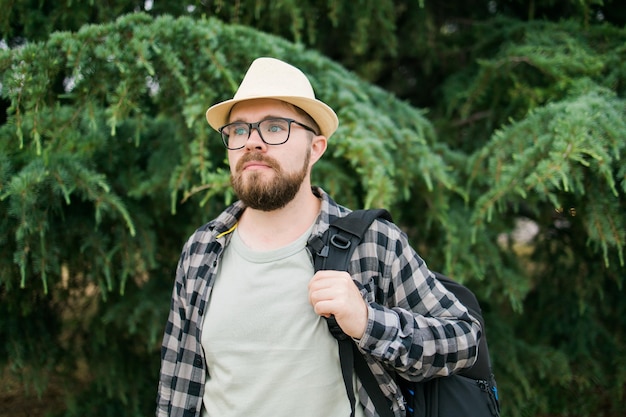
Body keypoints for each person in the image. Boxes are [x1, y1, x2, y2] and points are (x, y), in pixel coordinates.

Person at [156, 57, 481, 417]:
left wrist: (367, 321)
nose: (253, 143)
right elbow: (178, 384)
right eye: (239, 129)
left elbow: (464, 339)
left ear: (316, 149)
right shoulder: (202, 250)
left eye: (275, 127)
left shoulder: (371, 243)